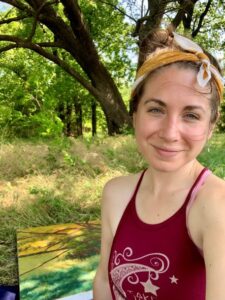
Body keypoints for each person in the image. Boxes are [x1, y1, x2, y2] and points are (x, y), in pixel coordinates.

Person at [93, 29, 225, 300]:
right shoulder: (116, 194)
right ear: (135, 113)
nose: (169, 132)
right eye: (156, 109)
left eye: (191, 115)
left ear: (211, 126)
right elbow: (105, 283)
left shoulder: (217, 207)